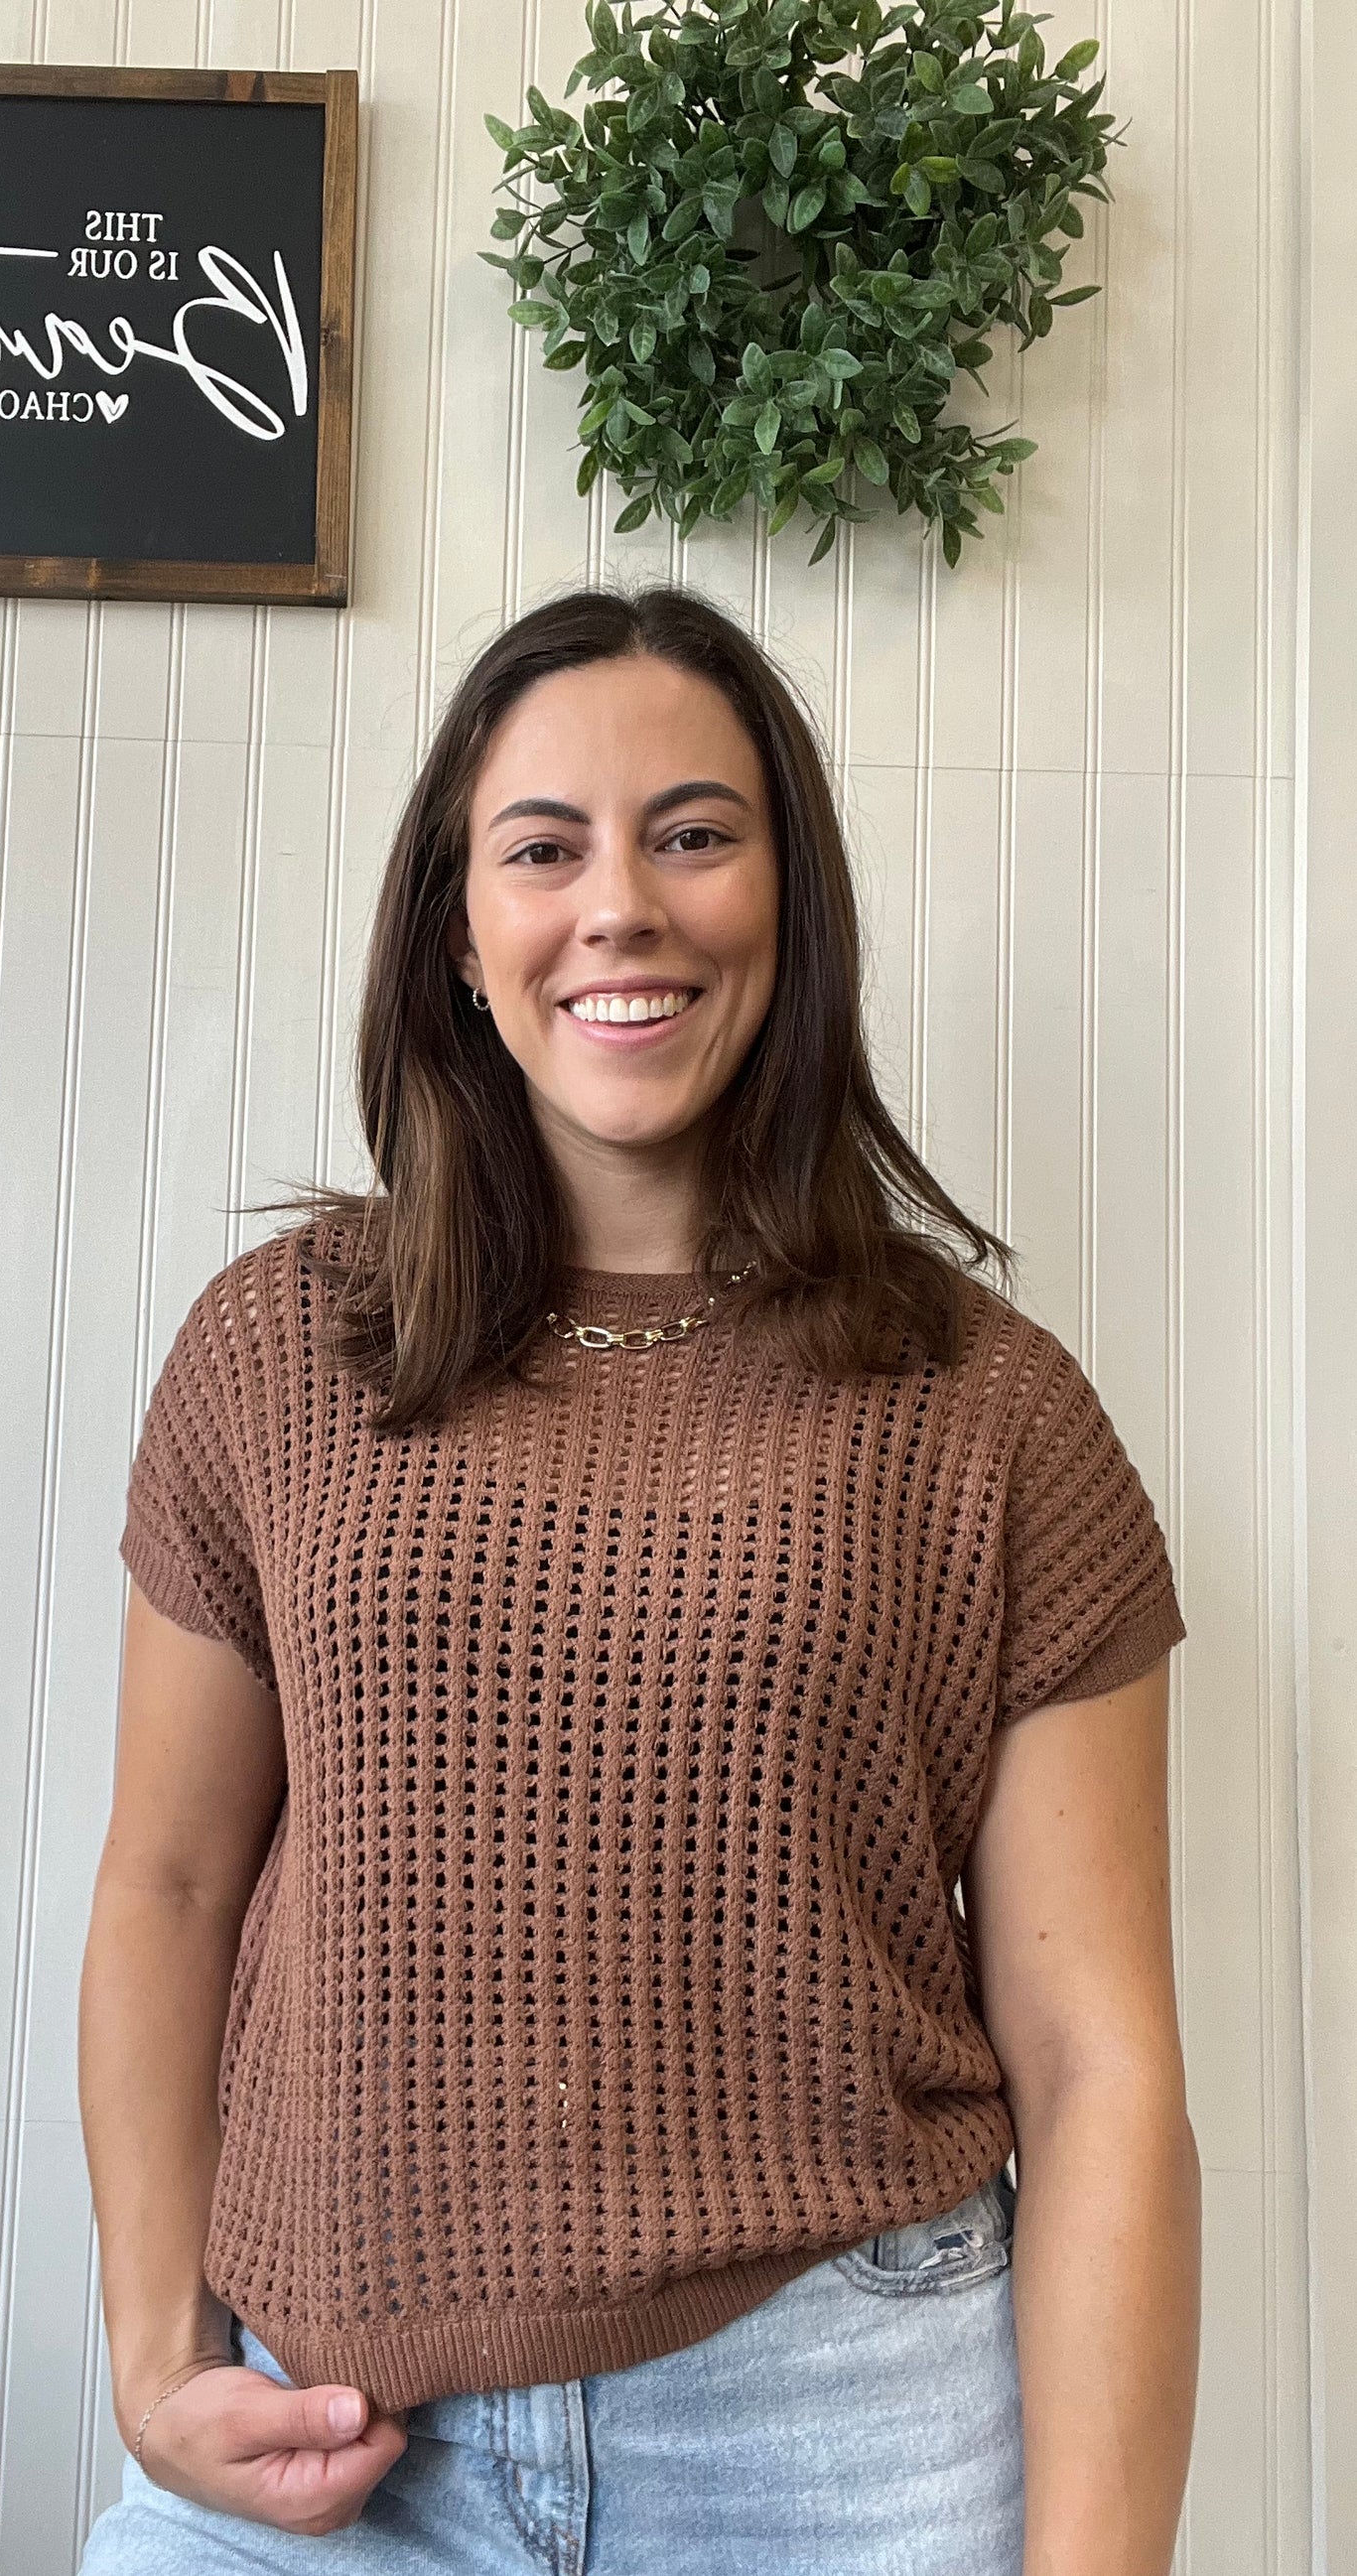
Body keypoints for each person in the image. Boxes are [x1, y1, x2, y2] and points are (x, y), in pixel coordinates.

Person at [75, 585, 1201, 2573]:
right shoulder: (276, 1351)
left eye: (691, 833)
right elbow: (166, 1883)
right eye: (543, 849)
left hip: (839, 2437)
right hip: (332, 2437)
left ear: (788, 900)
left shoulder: (992, 1411)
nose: (618, 906)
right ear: (457, 931)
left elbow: (1098, 2061)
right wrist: (154, 2353)